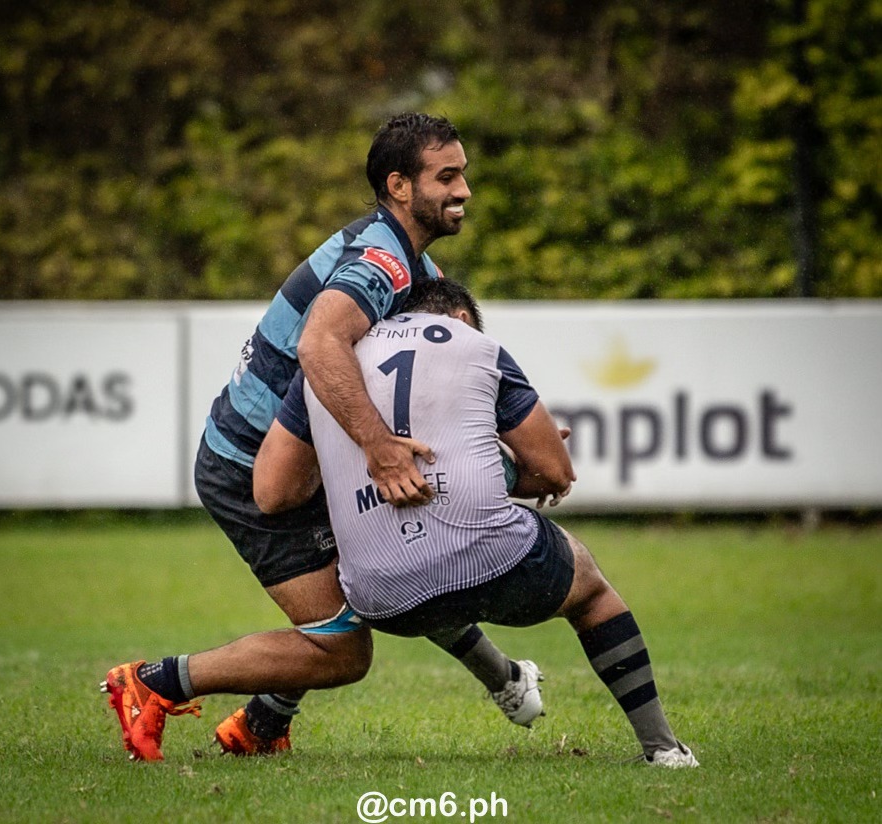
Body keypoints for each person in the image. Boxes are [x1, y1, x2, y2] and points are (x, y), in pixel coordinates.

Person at [101, 114, 543, 762]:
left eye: (463, 174)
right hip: (252, 467)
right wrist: (381, 447)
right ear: (399, 185)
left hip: (302, 457)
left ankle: (260, 724)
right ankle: (151, 684)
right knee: (341, 648)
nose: (463, 189)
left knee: (400, 569)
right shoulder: (379, 262)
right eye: (446, 176)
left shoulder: (409, 261)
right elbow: (318, 343)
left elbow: (425, 377)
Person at [253, 278, 699, 768]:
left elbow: (272, 492)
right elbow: (555, 472)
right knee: (590, 591)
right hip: (491, 561)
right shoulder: (473, 344)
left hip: (380, 600)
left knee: (419, 571)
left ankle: (503, 678)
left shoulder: (327, 365)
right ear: (461, 318)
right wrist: (499, 466)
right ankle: (663, 750)